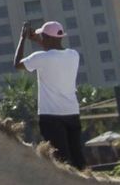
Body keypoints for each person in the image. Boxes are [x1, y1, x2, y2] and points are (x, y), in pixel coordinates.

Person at [13, 20, 88, 167]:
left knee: (61, 159)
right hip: (72, 112)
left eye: (43, 36)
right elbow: (54, 52)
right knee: (77, 156)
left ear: (47, 37)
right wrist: (38, 40)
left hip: (51, 116)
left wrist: (23, 38)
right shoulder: (73, 55)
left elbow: (17, 64)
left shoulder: (40, 57)